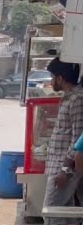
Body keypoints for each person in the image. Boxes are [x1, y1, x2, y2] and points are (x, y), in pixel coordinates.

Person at [45, 59, 83, 208]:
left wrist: (65, 170)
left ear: (60, 78)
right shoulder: (69, 97)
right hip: (59, 166)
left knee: (51, 212)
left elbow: (78, 140)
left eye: (53, 77)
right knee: (65, 215)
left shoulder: (78, 98)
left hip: (66, 168)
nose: (51, 81)